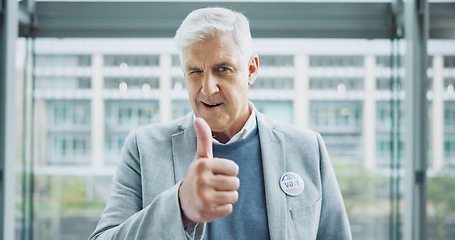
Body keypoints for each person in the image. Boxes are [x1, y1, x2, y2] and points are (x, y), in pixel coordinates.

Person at [89, 7, 351, 240]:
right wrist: (179, 208)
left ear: (250, 70)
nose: (207, 87)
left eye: (222, 69)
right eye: (195, 72)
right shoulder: (142, 148)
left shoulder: (307, 148)